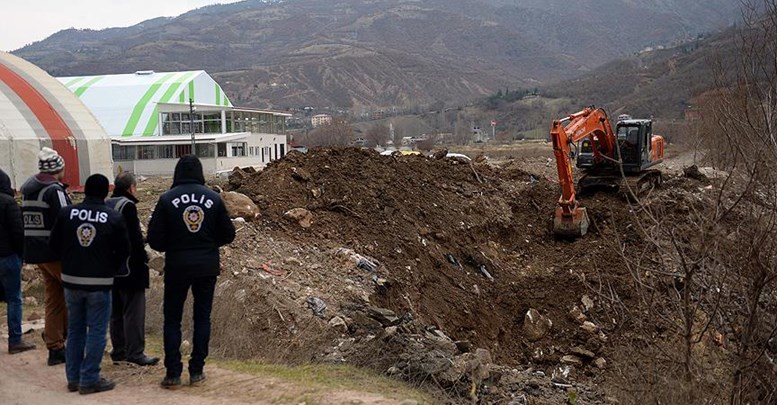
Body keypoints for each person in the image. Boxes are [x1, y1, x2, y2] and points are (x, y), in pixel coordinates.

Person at [147, 155, 235, 389]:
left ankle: (173, 374)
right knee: (202, 318)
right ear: (200, 172)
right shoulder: (214, 199)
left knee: (172, 320)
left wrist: (175, 244)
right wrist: (208, 243)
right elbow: (229, 234)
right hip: (206, 266)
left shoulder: (166, 200)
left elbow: (154, 240)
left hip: (177, 266)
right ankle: (197, 371)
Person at [50, 174, 130, 395]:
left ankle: (73, 378)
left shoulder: (67, 214)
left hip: (71, 280)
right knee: (96, 330)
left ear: (85, 190)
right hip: (99, 282)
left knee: (75, 330)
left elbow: (54, 243)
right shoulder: (113, 217)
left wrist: (70, 260)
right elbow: (124, 250)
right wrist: (111, 268)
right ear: (105, 192)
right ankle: (90, 378)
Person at [20, 146, 71, 365]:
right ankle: (65, 339)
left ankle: (54, 345)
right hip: (55, 252)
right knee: (74, 295)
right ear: (57, 168)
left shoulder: (29, 188)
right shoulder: (54, 191)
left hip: (37, 252)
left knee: (54, 298)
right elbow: (66, 219)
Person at [107, 172, 159, 366]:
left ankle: (118, 350)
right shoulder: (127, 206)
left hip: (110, 268)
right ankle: (135, 352)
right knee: (134, 312)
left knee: (116, 312)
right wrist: (143, 260)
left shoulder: (107, 204)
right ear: (131, 188)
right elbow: (134, 239)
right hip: (130, 267)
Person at [0, 168, 36, 354]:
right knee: (14, 299)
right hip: (7, 257)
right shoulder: (8, 203)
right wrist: (21, 255)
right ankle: (15, 340)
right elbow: (17, 232)